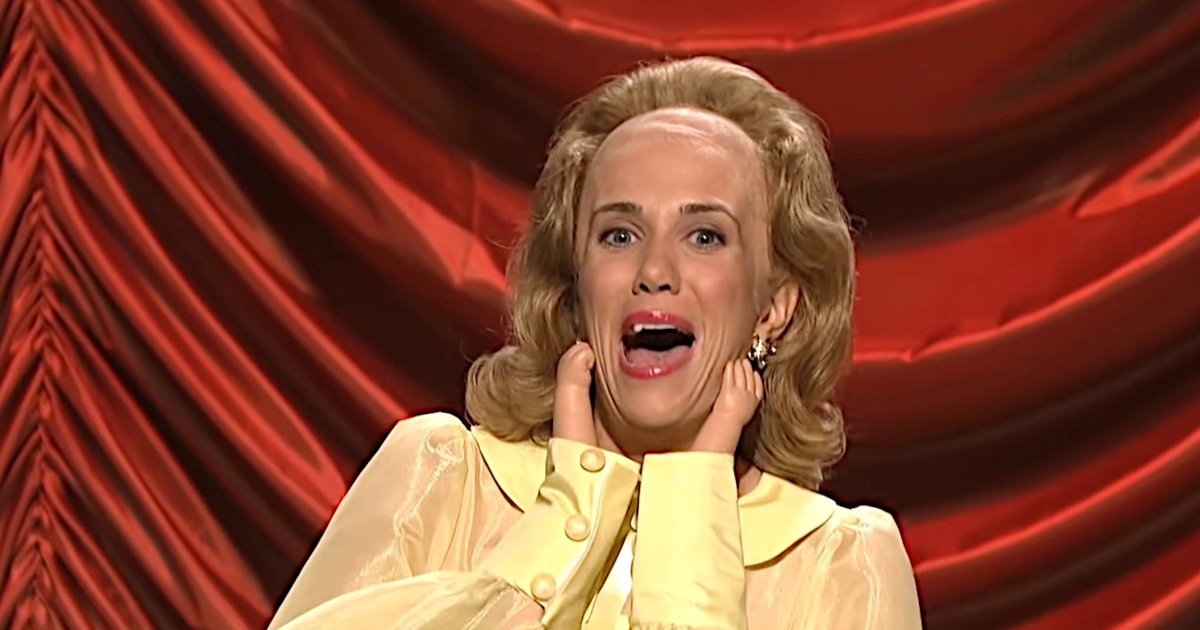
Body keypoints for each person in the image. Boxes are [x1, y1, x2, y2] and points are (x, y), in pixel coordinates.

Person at [267, 56, 922, 629]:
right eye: (619, 235)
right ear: (576, 288)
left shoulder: (842, 563)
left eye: (705, 237)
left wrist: (694, 499)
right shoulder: (439, 477)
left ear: (773, 308)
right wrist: (569, 518)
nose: (654, 270)